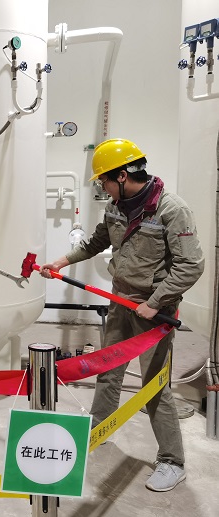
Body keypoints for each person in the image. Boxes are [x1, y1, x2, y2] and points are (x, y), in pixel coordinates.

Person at [39, 138, 204, 492]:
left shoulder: (171, 209)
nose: (102, 188)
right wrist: (61, 261)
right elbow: (97, 241)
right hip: (120, 301)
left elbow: (191, 265)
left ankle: (172, 461)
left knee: (154, 385)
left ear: (123, 175)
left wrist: (155, 303)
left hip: (153, 312)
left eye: (104, 180)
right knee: (108, 369)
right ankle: (100, 430)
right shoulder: (116, 206)